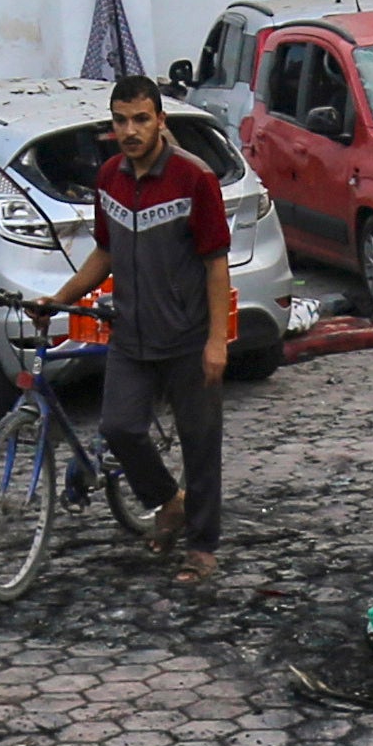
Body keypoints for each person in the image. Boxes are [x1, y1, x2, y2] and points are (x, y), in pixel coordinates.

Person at [37, 73, 231, 571]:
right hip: (130, 335)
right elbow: (106, 251)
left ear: (160, 120)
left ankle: (201, 547)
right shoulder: (109, 179)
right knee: (120, 429)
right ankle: (169, 503)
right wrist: (60, 298)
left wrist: (216, 341)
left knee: (199, 443)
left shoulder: (194, 178)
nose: (131, 130)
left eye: (141, 119)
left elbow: (215, 263)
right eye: (121, 120)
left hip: (187, 337)